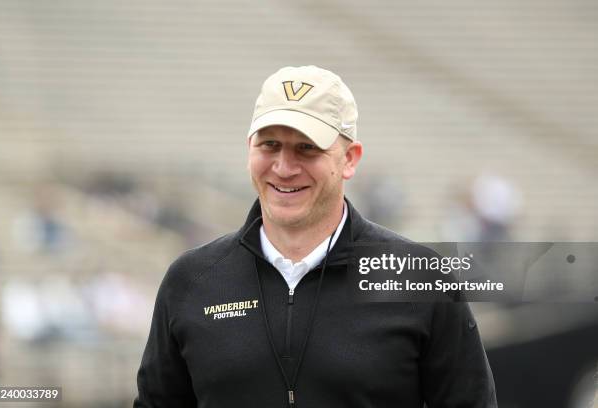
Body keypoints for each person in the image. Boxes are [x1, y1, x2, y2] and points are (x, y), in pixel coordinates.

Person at [134, 65, 497, 407]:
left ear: (350, 159)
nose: (284, 167)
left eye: (307, 148)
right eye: (270, 145)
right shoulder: (192, 280)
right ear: (249, 150)